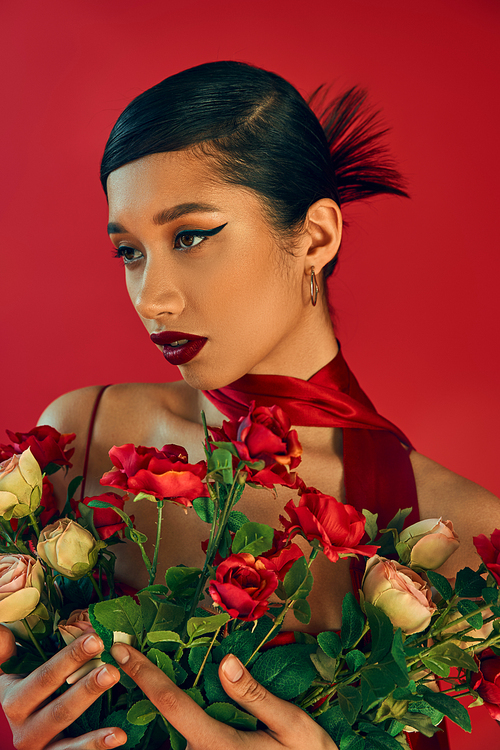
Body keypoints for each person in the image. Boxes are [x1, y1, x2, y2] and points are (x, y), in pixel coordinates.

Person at [1, 60, 498, 750]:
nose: (152, 299)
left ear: (317, 238)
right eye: (129, 251)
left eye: (191, 236)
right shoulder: (82, 435)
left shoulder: (469, 540)